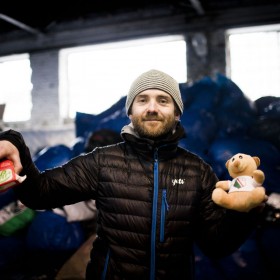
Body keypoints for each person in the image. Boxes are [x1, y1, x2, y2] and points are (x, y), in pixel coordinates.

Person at [0, 69, 266, 280]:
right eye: (142, 100)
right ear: (130, 111)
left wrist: (244, 213)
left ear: (177, 114)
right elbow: (40, 193)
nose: (152, 108)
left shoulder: (197, 171)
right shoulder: (103, 161)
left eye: (163, 100)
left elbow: (216, 246)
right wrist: (15, 144)